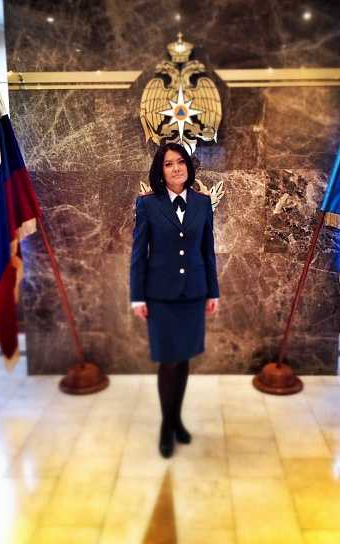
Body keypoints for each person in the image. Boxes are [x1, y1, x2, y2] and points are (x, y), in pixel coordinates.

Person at [130, 142, 220, 458]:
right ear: (160, 170)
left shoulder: (202, 203)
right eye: (168, 164)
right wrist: (137, 297)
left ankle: (177, 419)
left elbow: (207, 251)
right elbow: (138, 254)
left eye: (180, 162)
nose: (176, 168)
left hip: (193, 293)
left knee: (183, 359)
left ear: (188, 167)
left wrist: (213, 291)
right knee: (168, 360)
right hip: (161, 296)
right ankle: (166, 427)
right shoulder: (148, 204)